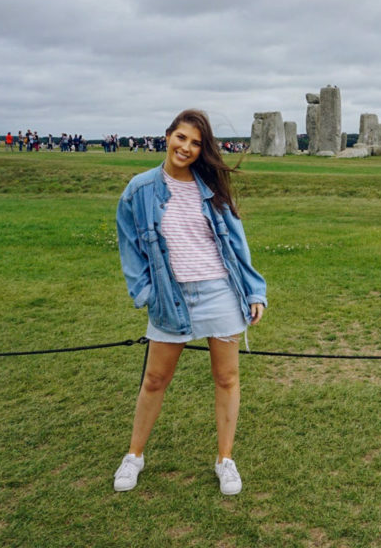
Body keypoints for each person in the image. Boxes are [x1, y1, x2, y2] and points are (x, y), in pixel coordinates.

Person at [113, 108, 267, 495]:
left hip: (219, 293)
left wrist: (254, 291)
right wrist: (145, 293)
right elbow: (130, 248)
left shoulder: (211, 188)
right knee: (154, 380)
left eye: (196, 143)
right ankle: (134, 455)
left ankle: (225, 460)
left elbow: (236, 244)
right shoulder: (139, 189)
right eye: (181, 138)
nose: (187, 147)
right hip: (170, 295)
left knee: (227, 378)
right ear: (167, 136)